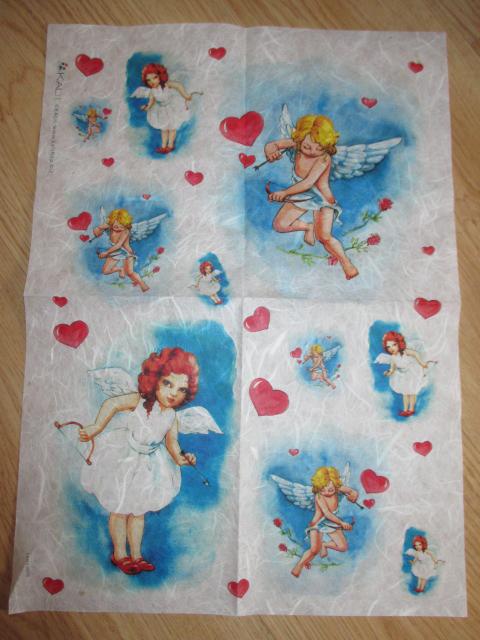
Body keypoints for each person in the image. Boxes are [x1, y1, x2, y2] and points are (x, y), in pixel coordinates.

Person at [79, 348, 199, 575]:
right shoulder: (140, 400)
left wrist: (182, 459)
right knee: (119, 508)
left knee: (138, 512)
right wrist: (96, 427)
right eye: (168, 384)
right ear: (154, 380)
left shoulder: (172, 416)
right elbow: (113, 404)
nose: (173, 393)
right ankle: (119, 554)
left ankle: (136, 555)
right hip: (123, 458)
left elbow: (172, 443)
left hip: (148, 466)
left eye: (181, 389)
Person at [264, 114, 358, 279]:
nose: (312, 152)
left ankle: (346, 263)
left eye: (319, 148)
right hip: (300, 194)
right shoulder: (297, 144)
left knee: (324, 237)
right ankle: (308, 227)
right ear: (300, 139)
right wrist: (270, 152)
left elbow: (308, 183)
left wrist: (285, 193)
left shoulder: (324, 159)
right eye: (307, 147)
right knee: (280, 225)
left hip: (321, 198)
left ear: (326, 146)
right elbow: (273, 145)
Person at [291, 466, 358, 577]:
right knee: (314, 550)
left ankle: (325, 544)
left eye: (330, 490)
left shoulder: (338, 488)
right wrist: (341, 523)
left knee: (343, 547)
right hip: (318, 523)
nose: (326, 492)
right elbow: (327, 513)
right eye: (323, 490)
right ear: (318, 488)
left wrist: (353, 496)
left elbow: (352, 491)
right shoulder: (319, 496)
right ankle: (299, 566)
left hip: (331, 522)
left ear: (335, 485)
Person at [131, 63, 193, 154]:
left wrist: (186, 95)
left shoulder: (167, 84)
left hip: (172, 107)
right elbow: (151, 102)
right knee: (164, 129)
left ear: (160, 76)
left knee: (172, 128)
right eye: (149, 80)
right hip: (162, 110)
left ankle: (170, 145)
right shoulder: (152, 91)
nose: (152, 81)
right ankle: (163, 146)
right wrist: (146, 107)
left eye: (154, 77)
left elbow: (178, 85)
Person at [92, 208, 150, 293]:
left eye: (122, 226)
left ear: (125, 226)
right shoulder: (110, 227)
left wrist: (107, 253)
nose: (118, 227)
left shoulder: (125, 231)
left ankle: (143, 285)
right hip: (115, 251)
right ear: (113, 221)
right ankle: (120, 269)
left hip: (126, 252)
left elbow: (119, 245)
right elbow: (96, 233)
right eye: (116, 224)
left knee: (130, 273)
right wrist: (100, 227)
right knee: (105, 271)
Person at [376, 331, 431, 417]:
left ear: (399, 343)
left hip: (413, 371)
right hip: (404, 375)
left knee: (412, 392)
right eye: (388, 347)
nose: (391, 348)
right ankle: (405, 410)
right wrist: (388, 372)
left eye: (394, 345)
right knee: (405, 393)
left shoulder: (405, 352)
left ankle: (411, 409)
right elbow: (392, 369)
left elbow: (415, 354)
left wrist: (422, 363)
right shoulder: (393, 358)